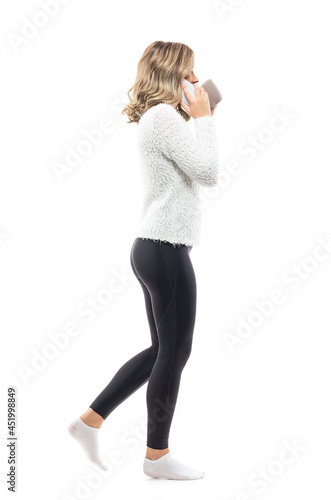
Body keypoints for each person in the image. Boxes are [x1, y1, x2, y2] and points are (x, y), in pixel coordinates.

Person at [68, 40, 220, 480]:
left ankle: (89, 421)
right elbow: (208, 172)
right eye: (190, 74)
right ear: (172, 74)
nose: (196, 82)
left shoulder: (162, 120)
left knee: (162, 350)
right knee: (175, 352)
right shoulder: (163, 120)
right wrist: (205, 121)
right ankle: (157, 456)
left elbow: (194, 168)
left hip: (156, 247)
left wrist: (200, 119)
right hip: (165, 248)